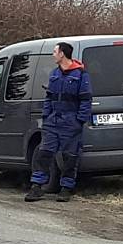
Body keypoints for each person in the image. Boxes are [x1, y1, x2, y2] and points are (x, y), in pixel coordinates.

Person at [25, 42, 92, 203]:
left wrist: (79, 121)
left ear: (62, 54)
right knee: (44, 153)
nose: (53, 55)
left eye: (55, 51)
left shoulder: (81, 75)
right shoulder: (54, 73)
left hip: (70, 122)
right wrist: (47, 116)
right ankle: (37, 186)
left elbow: (86, 100)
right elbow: (49, 97)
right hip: (53, 122)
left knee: (70, 156)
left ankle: (66, 188)